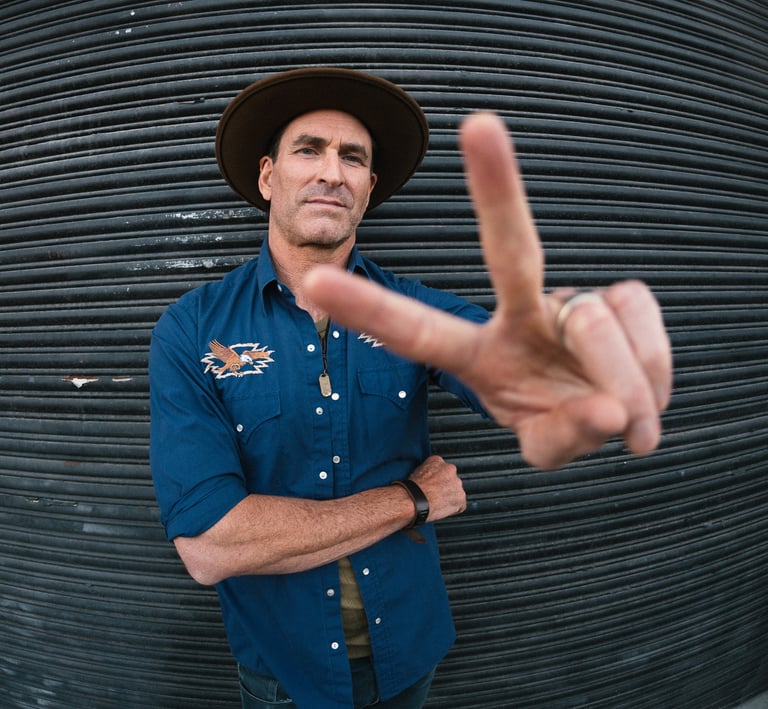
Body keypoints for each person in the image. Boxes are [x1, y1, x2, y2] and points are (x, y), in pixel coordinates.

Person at [149, 67, 671, 709]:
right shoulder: (192, 328)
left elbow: (501, 362)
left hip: (408, 653)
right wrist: (412, 500)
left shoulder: (418, 314)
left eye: (353, 158)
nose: (332, 172)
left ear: (368, 188)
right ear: (267, 176)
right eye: (309, 150)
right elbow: (209, 545)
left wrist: (566, 365)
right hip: (284, 672)